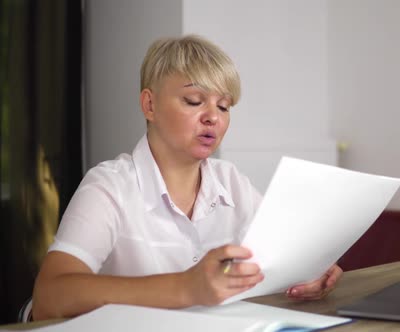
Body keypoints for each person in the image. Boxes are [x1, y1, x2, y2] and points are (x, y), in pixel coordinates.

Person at [31, 34, 343, 320]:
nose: (213, 117)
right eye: (194, 101)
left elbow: (281, 256)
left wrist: (309, 273)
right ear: (149, 105)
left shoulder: (232, 181)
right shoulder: (109, 186)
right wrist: (185, 287)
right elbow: (49, 296)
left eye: (224, 106)